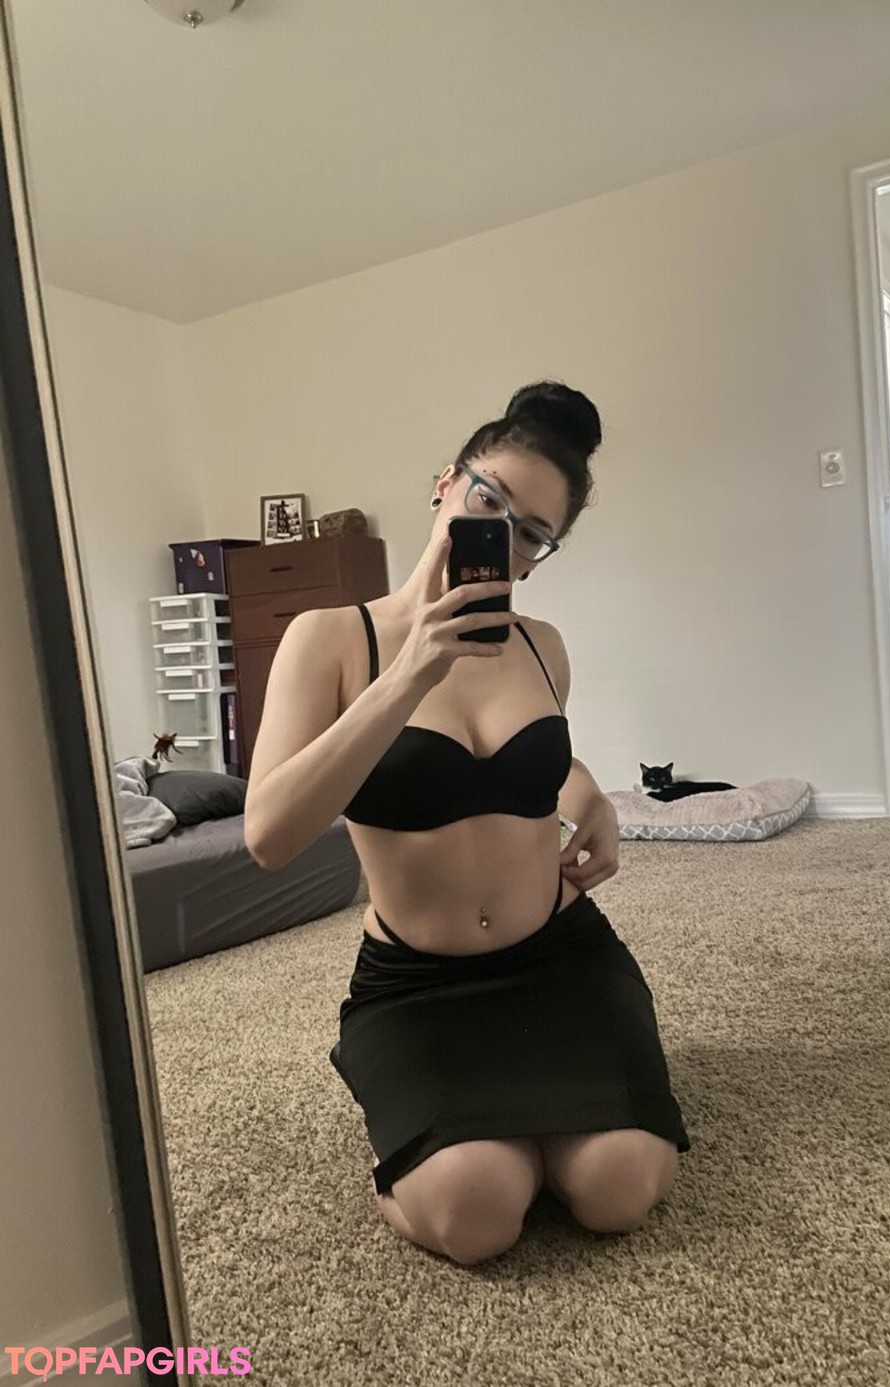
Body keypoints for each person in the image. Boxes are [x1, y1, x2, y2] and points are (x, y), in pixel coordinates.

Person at [244, 382, 689, 1266]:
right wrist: (411, 670)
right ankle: (436, 1141)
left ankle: (535, 1122)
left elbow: (539, 761)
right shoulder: (330, 639)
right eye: (491, 500)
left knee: (621, 1186)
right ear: (445, 483)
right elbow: (270, 834)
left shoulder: (541, 645)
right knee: (475, 1212)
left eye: (533, 534)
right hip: (418, 982)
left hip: (559, 955)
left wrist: (595, 802)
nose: (504, 536)